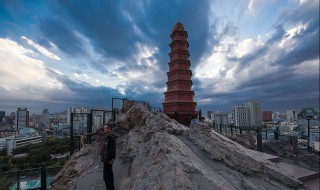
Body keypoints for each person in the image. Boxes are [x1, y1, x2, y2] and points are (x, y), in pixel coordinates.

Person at [100, 125, 116, 190]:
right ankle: (111, 188)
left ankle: (110, 188)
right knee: (109, 174)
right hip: (106, 159)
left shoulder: (111, 137)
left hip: (108, 159)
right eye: (104, 128)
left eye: (106, 128)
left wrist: (110, 159)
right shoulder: (106, 137)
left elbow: (112, 149)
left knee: (106, 176)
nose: (105, 130)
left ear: (110, 129)